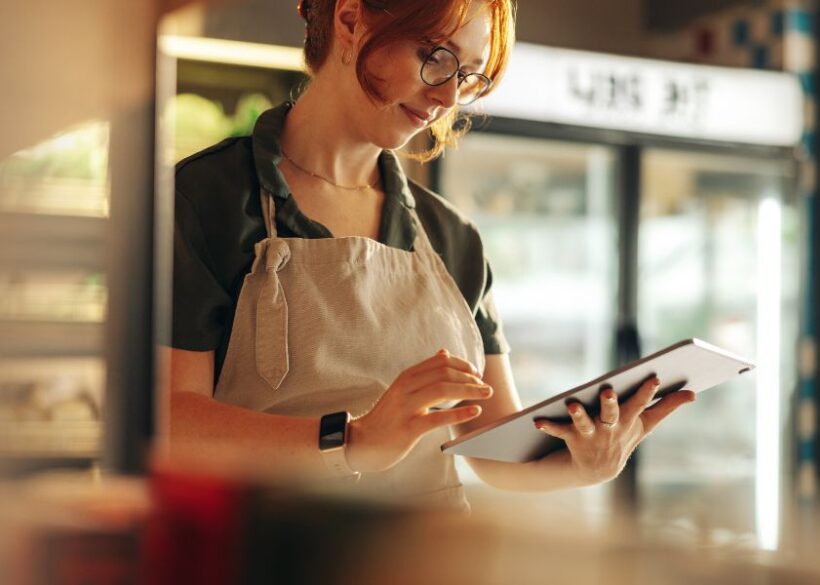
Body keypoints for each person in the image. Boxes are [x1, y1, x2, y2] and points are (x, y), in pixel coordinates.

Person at [166, 0, 696, 510]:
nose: (447, 98)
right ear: (351, 20)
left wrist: (584, 463)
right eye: (436, 58)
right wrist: (349, 441)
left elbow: (493, 448)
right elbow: (171, 419)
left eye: (468, 77)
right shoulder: (205, 197)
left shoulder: (452, 236)